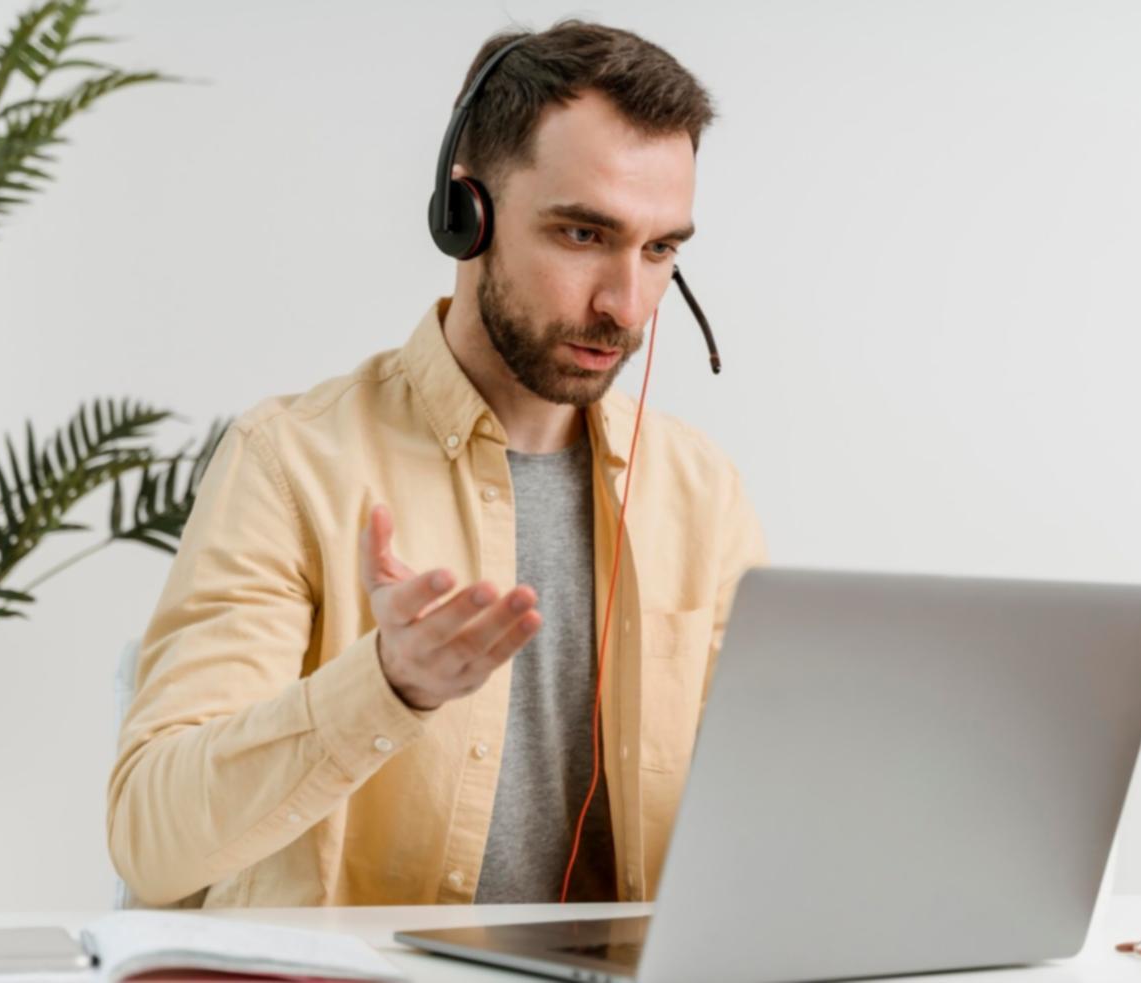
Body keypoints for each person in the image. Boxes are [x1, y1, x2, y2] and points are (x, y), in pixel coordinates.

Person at [106, 18, 768, 910]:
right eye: (581, 235)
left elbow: (762, 815)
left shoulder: (699, 491)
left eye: (659, 251)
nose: (624, 304)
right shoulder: (292, 462)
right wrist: (384, 685)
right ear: (465, 215)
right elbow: (152, 840)